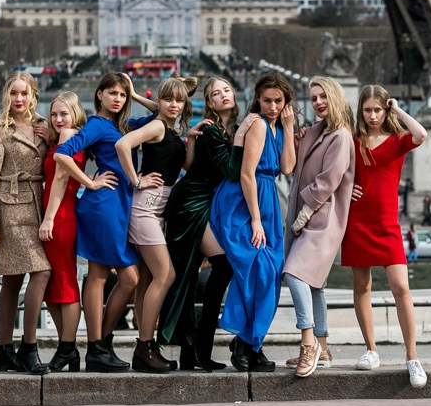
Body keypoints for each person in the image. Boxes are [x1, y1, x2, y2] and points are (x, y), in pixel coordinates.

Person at [158, 76, 249, 372]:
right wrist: (240, 139)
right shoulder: (211, 130)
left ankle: (194, 351)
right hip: (189, 203)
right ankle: (196, 348)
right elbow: (231, 170)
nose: (223, 95)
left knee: (194, 273)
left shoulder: (232, 128)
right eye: (216, 93)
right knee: (208, 269)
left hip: (207, 204)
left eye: (227, 90)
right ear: (209, 102)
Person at [341, 86, 429, 388]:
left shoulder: (397, 140)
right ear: (361, 112)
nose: (373, 115)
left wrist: (398, 110)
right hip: (357, 222)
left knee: (401, 287)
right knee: (361, 287)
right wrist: (345, 188)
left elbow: (421, 134)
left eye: (378, 109)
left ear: (385, 110)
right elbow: (335, 170)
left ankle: (412, 357)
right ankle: (371, 349)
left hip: (387, 225)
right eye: (368, 110)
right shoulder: (353, 141)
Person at [211, 72, 296, 371]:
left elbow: (287, 167)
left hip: (266, 199)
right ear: (257, 100)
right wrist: (256, 220)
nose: (272, 107)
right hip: (244, 202)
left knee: (269, 272)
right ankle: (246, 342)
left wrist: (288, 126)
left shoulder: (278, 127)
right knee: (257, 269)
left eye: (278, 101)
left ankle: (250, 342)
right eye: (267, 101)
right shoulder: (258, 125)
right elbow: (246, 174)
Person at [54, 73, 139, 372]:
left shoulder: (120, 126)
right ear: (99, 94)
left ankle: (100, 344)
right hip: (103, 205)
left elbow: (161, 115)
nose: (118, 99)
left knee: (122, 278)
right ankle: (96, 345)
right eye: (112, 93)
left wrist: (134, 93)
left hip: (117, 205)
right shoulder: (98, 125)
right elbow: (62, 153)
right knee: (105, 276)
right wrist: (89, 182)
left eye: (122, 95)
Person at [115, 75, 195, 373]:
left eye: (179, 100)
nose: (174, 105)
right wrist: (136, 180)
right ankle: (145, 346)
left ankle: (146, 345)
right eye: (168, 99)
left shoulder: (170, 127)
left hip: (158, 209)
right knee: (166, 274)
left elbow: (187, 165)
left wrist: (191, 138)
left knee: (150, 278)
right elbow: (123, 144)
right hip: (146, 208)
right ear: (159, 101)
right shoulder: (158, 126)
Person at [280, 77, 355, 378]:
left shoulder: (341, 136)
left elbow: (328, 181)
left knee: (294, 273)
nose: (318, 102)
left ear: (334, 96)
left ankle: (308, 343)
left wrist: (303, 215)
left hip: (322, 219)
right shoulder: (315, 131)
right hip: (307, 216)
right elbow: (295, 167)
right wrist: (295, 135)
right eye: (313, 98)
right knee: (314, 284)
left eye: (323, 96)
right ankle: (322, 348)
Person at [0, 71, 52, 375]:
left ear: (33, 94)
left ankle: (5, 351)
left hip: (38, 205)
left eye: (24, 93)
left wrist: (51, 139)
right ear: (6, 95)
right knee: (40, 271)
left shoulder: (44, 127)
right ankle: (28, 347)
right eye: (14, 93)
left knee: (12, 281)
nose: (19, 99)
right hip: (10, 208)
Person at [38, 91, 102, 373]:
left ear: (76, 114)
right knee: (54, 281)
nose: (58, 119)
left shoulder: (68, 136)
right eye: (54, 114)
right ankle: (67, 347)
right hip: (59, 213)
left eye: (64, 113)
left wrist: (48, 218)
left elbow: (62, 177)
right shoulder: (68, 137)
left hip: (60, 215)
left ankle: (67, 347)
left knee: (64, 280)